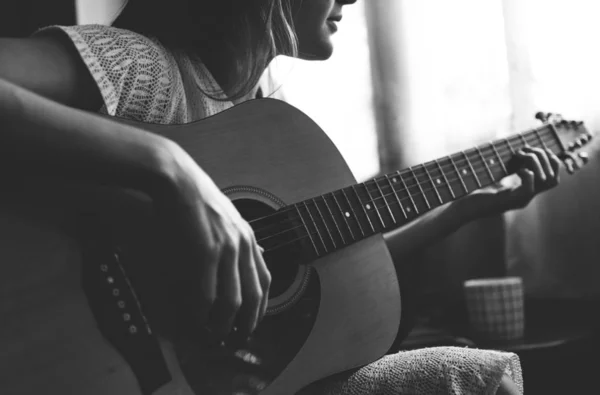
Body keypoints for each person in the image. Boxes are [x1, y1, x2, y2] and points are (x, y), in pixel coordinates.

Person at [0, 0, 566, 394]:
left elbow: (332, 275)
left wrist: (464, 209)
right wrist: (168, 168)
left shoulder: (259, 118)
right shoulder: (145, 69)